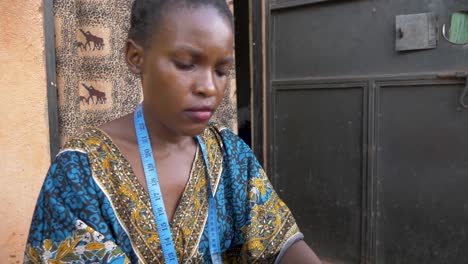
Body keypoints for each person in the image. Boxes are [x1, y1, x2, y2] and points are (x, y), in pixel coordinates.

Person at [24, 0, 321, 263]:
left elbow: (280, 245)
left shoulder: (231, 155)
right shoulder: (79, 173)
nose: (209, 87)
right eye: (186, 64)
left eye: (221, 71)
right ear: (135, 57)